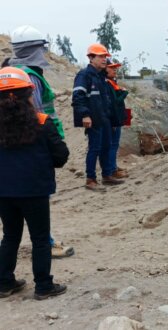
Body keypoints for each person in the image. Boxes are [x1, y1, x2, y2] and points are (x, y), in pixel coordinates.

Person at [0, 67, 69, 300]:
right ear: (27, 94)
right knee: (40, 238)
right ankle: (43, 286)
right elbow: (61, 155)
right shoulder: (42, 121)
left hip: (3, 192)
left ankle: (4, 283)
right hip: (34, 191)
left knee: (10, 236)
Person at [7, 25, 74, 258]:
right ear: (34, 49)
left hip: (12, 151)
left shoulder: (10, 73)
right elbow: (32, 117)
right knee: (36, 203)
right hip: (32, 148)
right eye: (41, 49)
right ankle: (46, 245)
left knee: (13, 208)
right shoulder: (28, 77)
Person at [72, 43, 124, 191]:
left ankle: (107, 175)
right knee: (94, 148)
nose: (104, 59)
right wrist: (85, 115)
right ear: (91, 58)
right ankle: (90, 179)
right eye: (100, 56)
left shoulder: (101, 77)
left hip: (104, 118)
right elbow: (78, 97)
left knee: (106, 147)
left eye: (105, 56)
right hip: (93, 119)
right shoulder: (84, 75)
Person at [104, 59, 129, 179]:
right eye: (111, 67)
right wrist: (123, 94)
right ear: (105, 69)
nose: (115, 69)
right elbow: (114, 103)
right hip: (112, 119)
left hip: (115, 118)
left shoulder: (112, 82)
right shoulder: (107, 83)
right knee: (113, 145)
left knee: (114, 144)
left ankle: (113, 167)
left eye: (115, 67)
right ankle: (112, 170)